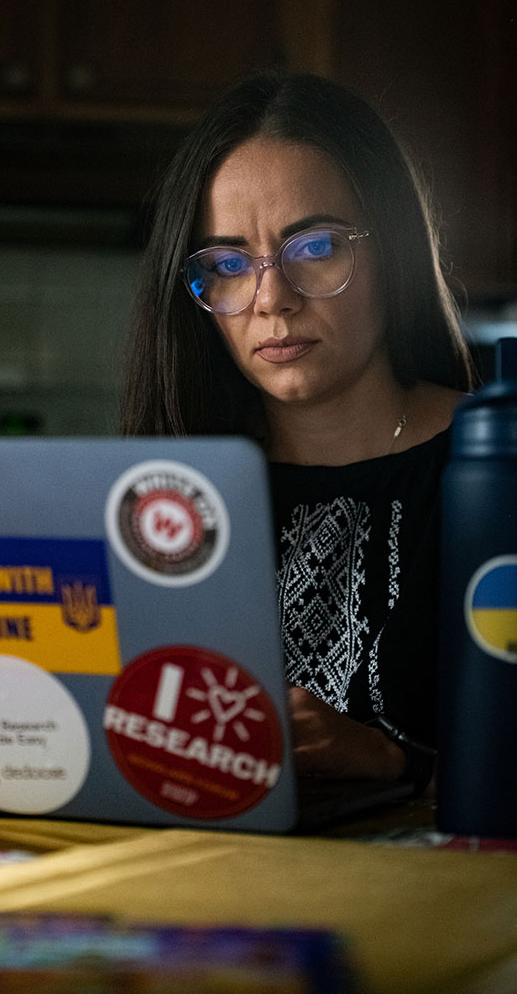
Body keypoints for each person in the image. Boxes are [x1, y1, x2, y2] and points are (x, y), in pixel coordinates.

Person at [119, 68, 475, 790]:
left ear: (392, 251)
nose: (270, 299)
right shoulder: (166, 497)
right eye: (226, 263)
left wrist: (390, 759)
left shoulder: (492, 467)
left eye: (315, 248)